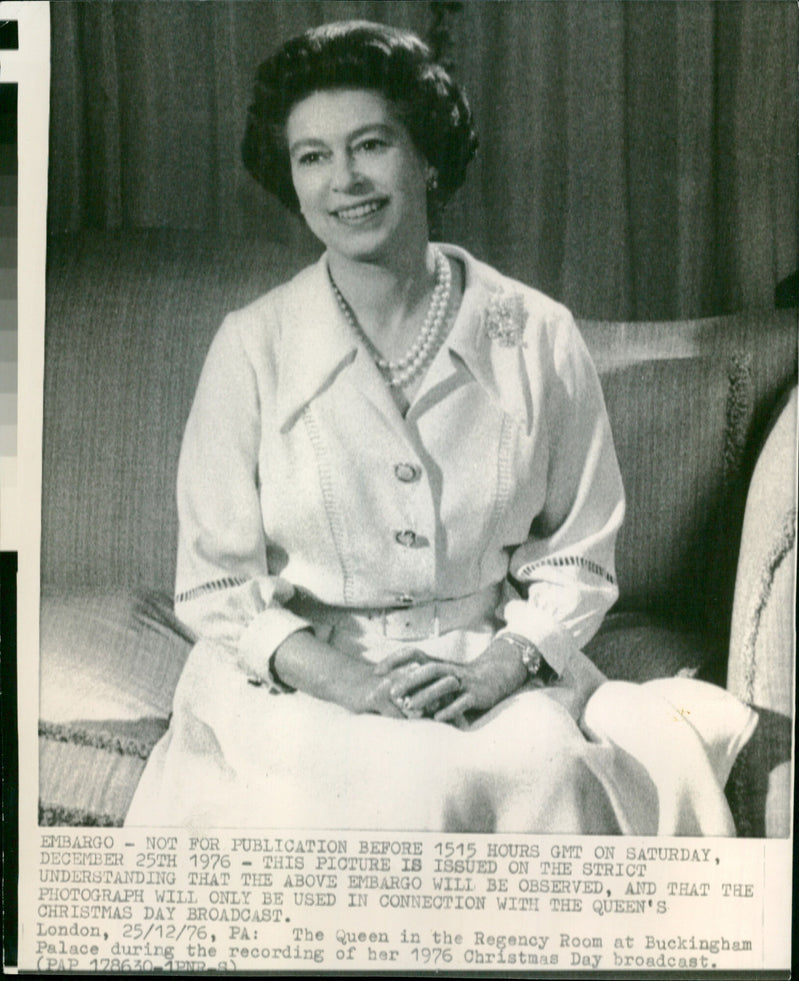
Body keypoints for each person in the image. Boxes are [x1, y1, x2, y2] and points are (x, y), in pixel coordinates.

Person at [125, 21, 755, 832]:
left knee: (549, 771)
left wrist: (503, 665)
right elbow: (214, 581)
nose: (344, 180)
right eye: (312, 156)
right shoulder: (251, 345)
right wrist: (349, 684)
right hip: (303, 687)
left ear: (425, 156)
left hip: (485, 663)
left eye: (371, 145)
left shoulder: (535, 332)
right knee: (391, 795)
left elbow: (578, 550)